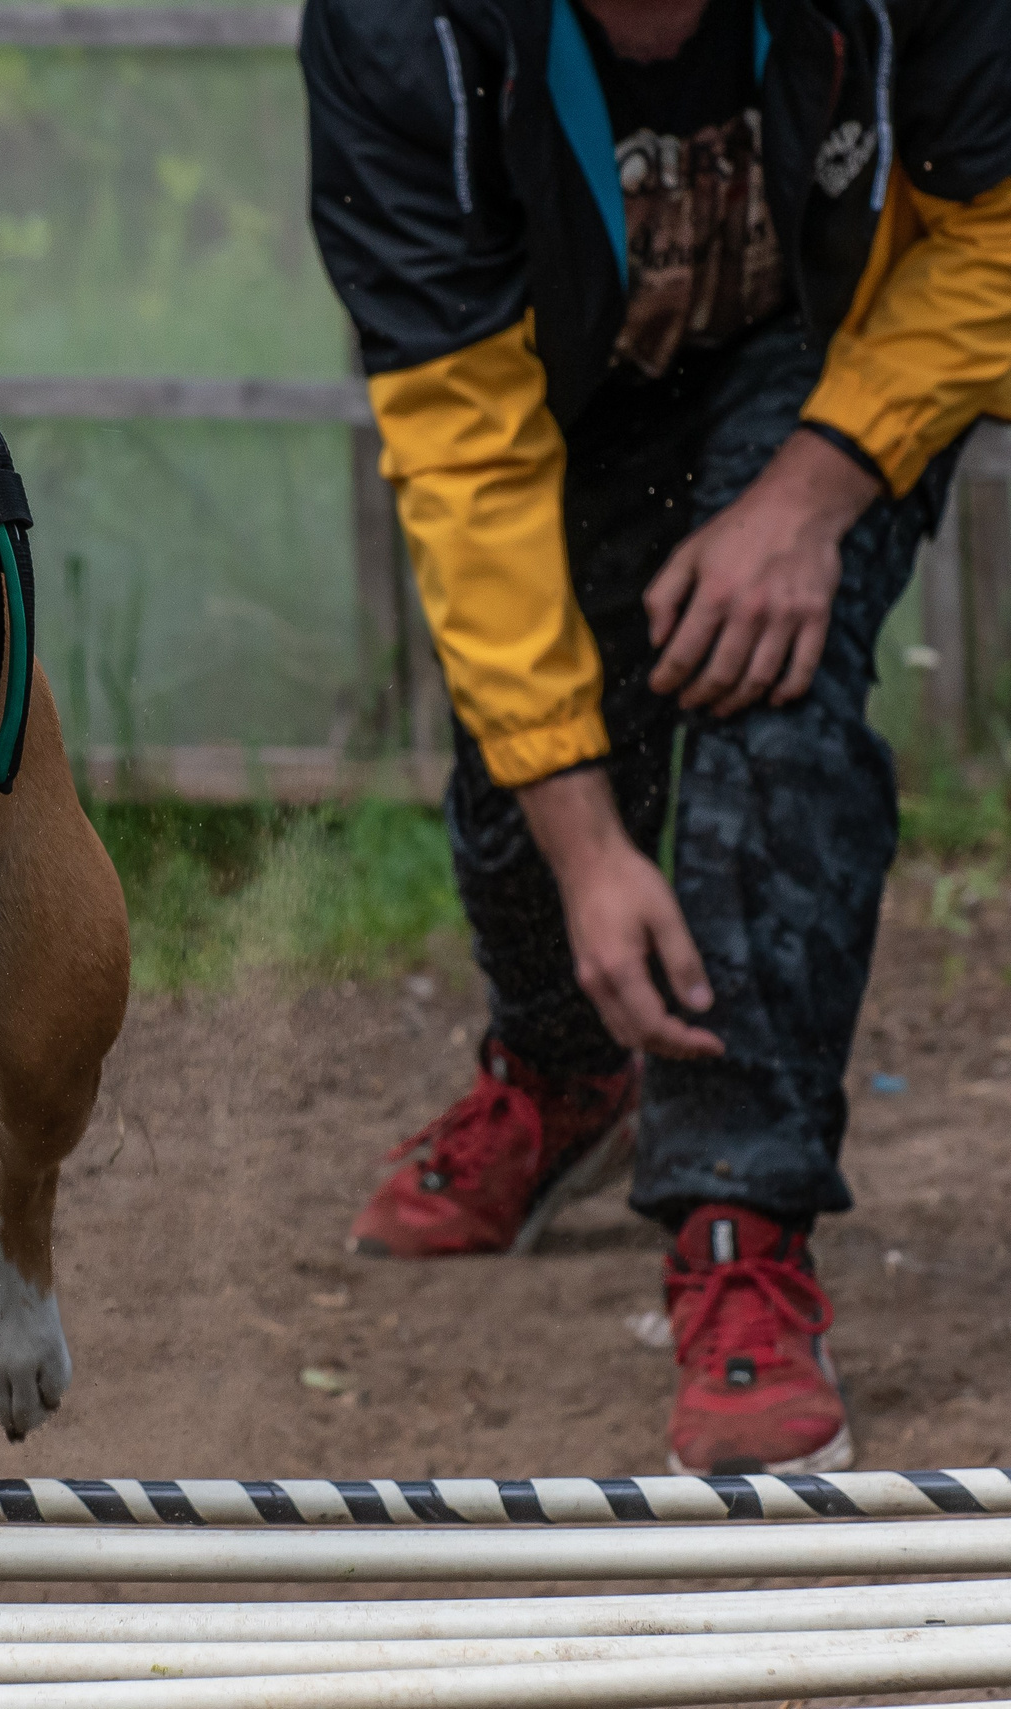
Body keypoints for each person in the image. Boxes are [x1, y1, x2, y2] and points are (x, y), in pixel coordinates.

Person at [301, 0, 1011, 1473]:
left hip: (837, 348)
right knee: (534, 795)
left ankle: (740, 1218)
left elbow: (999, 230)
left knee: (770, 697)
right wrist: (583, 840)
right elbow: (458, 428)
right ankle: (567, 1075)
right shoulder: (399, 29)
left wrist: (817, 490)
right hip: (554, 387)